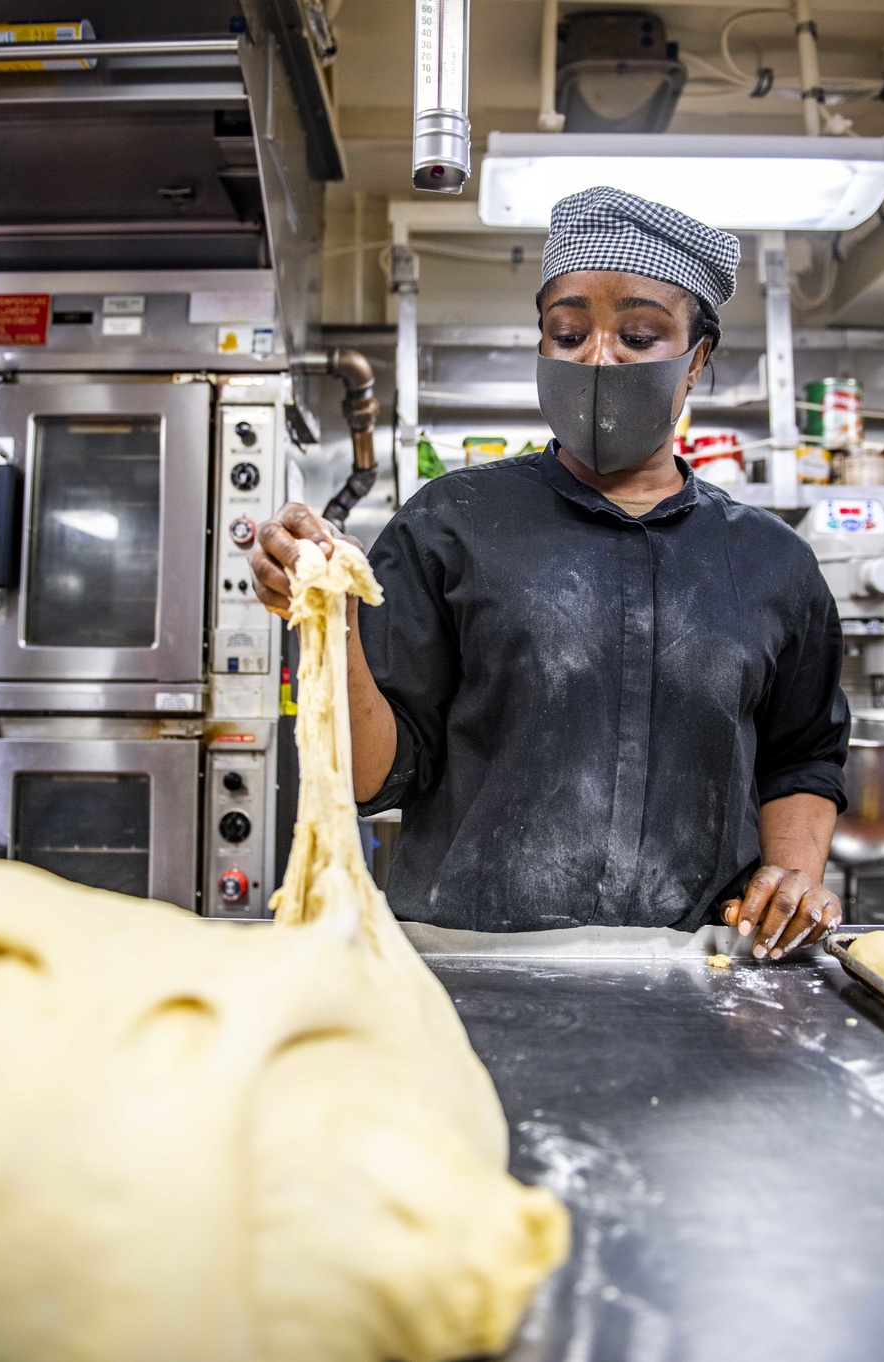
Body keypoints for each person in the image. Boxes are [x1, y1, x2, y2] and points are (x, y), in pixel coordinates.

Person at [250, 187, 849, 961]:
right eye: (567, 333)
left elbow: (802, 754)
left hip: (698, 971)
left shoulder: (772, 563)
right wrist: (325, 619)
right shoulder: (452, 523)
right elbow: (374, 781)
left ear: (697, 359)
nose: (598, 359)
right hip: (471, 963)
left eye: (639, 335)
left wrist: (793, 875)